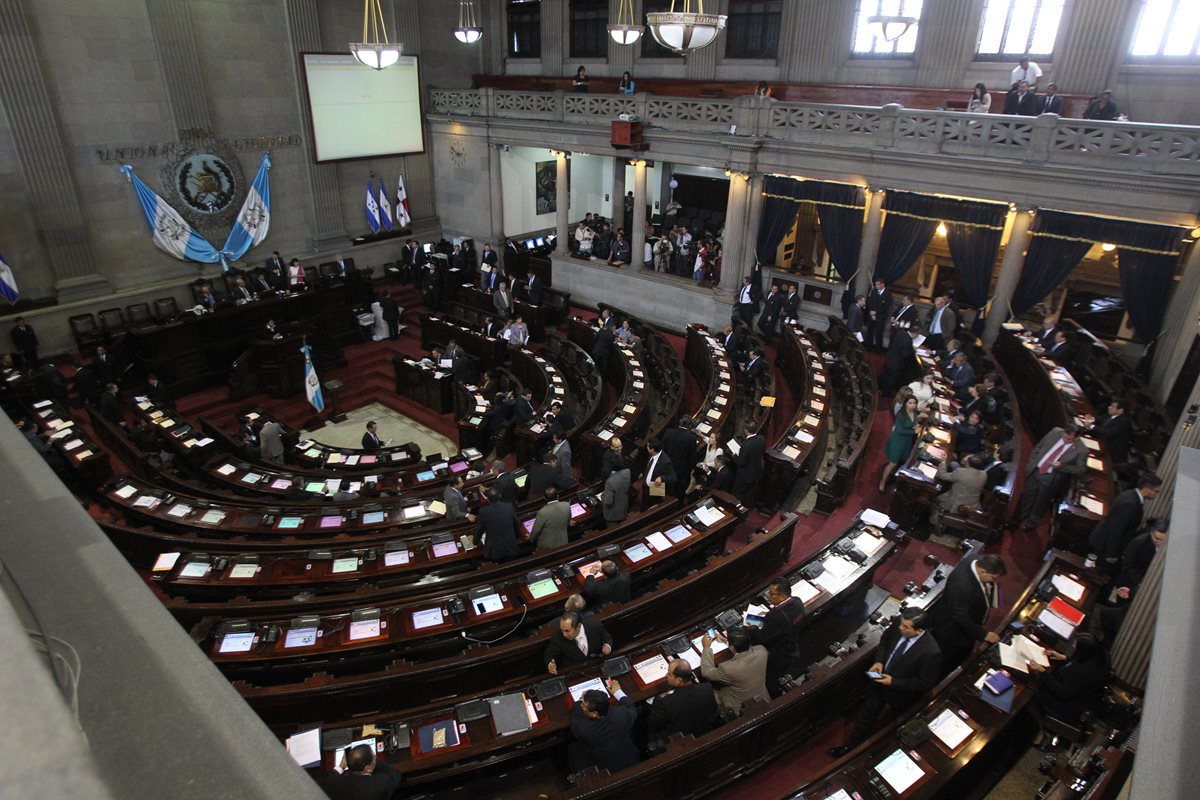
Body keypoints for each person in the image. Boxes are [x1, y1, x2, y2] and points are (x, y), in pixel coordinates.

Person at [828, 608, 943, 757]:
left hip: (901, 694)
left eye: (906, 627)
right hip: (879, 683)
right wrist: (879, 661)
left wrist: (893, 682)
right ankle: (850, 749)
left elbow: (924, 684)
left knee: (890, 726)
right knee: (866, 716)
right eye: (901, 624)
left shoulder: (931, 652)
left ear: (919, 631)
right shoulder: (898, 623)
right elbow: (885, 640)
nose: (900, 627)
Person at [930, 553, 1007, 672]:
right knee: (948, 663)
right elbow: (959, 615)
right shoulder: (961, 585)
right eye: (993, 578)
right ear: (982, 571)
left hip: (967, 620)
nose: (994, 582)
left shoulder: (975, 559)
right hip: (951, 633)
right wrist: (983, 634)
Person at [1007, 424, 1087, 530]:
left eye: (1069, 439)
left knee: (1041, 503)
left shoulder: (1081, 450)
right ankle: (1015, 521)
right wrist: (1031, 463)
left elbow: (1080, 469)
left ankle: (1031, 524)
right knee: (1026, 497)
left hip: (1051, 478)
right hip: (1036, 471)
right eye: (1064, 436)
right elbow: (1038, 447)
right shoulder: (1055, 432)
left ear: (1076, 438)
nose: (1065, 439)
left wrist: (1062, 466)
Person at [1027, 634, 1108, 729]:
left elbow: (1062, 693)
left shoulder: (1084, 672)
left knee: (1030, 694)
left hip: (1061, 709)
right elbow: (1077, 663)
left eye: (1075, 645)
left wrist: (1043, 671)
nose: (1073, 645)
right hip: (1067, 700)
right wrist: (1064, 658)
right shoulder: (1093, 659)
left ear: (1082, 651)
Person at [1087, 474, 1162, 571]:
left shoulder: (1131, 495)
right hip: (1105, 546)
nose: (1157, 494)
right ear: (1147, 489)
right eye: (1156, 491)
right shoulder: (1130, 503)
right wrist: (1111, 553)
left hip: (1106, 543)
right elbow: (1116, 529)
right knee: (1097, 573)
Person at [748, 579, 805, 698]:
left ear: (783, 596)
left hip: (779, 654)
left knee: (771, 680)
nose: (768, 596)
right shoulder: (798, 602)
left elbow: (762, 638)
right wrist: (769, 615)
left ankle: (776, 699)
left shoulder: (777, 618)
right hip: (792, 644)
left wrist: (751, 627)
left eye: (771, 593)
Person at [568, 679, 639, 774]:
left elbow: (576, 716)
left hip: (605, 768)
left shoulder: (583, 729)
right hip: (629, 757)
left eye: (583, 705)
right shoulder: (622, 714)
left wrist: (580, 699)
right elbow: (631, 707)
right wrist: (618, 692)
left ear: (594, 713)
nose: (581, 705)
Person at [700, 626, 769, 719]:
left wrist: (706, 647)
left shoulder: (728, 668)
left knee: (705, 691)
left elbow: (706, 672)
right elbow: (746, 647)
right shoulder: (761, 650)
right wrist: (726, 641)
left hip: (740, 706)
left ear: (732, 648)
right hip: (762, 696)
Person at [646, 660, 718, 746]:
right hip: (704, 732)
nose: (666, 676)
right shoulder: (707, 688)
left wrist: (657, 700)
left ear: (678, 680)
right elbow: (713, 711)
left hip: (679, 742)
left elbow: (655, 723)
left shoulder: (665, 702)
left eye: (669, 674)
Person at [320, 742, 403, 800]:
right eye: (374, 757)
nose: (376, 757)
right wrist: (374, 763)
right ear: (367, 768)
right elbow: (395, 774)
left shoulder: (332, 783)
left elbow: (331, 778)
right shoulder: (380, 784)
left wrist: (341, 766)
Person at [544, 611, 612, 674]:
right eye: (562, 631)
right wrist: (550, 664)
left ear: (578, 626)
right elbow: (549, 654)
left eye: (567, 631)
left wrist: (607, 645)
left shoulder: (594, 625)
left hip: (599, 666)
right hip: (575, 672)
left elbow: (606, 637)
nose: (564, 635)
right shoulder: (557, 637)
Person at [880, 395, 923, 492]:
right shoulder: (901, 414)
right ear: (905, 404)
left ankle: (892, 477)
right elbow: (898, 430)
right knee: (892, 463)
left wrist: (916, 426)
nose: (912, 405)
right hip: (898, 441)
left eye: (914, 403)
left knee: (901, 461)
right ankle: (882, 482)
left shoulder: (915, 412)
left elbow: (914, 423)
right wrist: (914, 432)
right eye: (910, 403)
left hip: (907, 441)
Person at [933, 454, 987, 526]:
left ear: (967, 463)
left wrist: (943, 462)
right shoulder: (984, 475)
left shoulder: (960, 472)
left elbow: (942, 476)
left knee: (933, 499)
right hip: (973, 506)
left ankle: (936, 524)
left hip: (956, 505)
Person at [473, 486, 520, 562]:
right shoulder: (509, 506)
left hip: (494, 551)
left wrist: (475, 541)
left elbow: (479, 530)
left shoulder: (483, 511)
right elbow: (516, 523)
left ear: (488, 500)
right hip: (511, 546)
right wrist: (517, 536)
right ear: (500, 496)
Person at [662, 416, 698, 498]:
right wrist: (692, 469)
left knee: (664, 488)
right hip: (682, 470)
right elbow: (692, 457)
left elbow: (663, 449)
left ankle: (660, 504)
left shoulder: (669, 431)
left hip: (667, 465)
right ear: (689, 425)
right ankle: (678, 506)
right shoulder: (691, 438)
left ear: (680, 421)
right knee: (678, 491)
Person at [1087, 399, 1133, 463]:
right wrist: (1092, 418)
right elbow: (1101, 418)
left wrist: (1091, 426)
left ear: (1120, 410)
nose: (1109, 407)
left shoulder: (1123, 422)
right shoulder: (1112, 414)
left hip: (1110, 451)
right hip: (1103, 441)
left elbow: (1107, 433)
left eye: (1112, 407)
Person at [732, 422, 766, 506]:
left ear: (746, 430)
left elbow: (741, 462)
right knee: (749, 494)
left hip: (745, 476)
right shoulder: (761, 438)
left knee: (738, 494)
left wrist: (735, 456)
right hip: (756, 473)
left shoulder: (746, 445)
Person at [879, 326, 920, 396]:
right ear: (915, 334)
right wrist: (913, 350)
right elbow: (905, 354)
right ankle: (885, 393)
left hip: (890, 357)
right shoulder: (908, 340)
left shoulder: (901, 332)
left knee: (886, 374)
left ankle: (880, 387)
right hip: (897, 363)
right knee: (891, 378)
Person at [641, 438, 676, 512]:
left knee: (651, 511)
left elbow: (673, 478)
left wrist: (661, 478)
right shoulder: (651, 455)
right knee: (643, 508)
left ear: (652, 449)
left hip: (656, 489)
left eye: (647, 446)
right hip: (646, 488)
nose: (646, 448)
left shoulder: (665, 461)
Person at [602, 454, 631, 526]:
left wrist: (603, 495)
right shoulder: (627, 472)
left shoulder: (610, 482)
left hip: (612, 515)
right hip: (623, 509)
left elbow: (608, 502)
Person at [865, 279, 893, 351]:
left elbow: (886, 307)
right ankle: (868, 346)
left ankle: (878, 349)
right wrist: (871, 310)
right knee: (869, 331)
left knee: (878, 333)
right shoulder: (874, 291)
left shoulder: (888, 294)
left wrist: (876, 312)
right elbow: (870, 301)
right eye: (875, 284)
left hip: (881, 316)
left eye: (877, 284)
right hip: (871, 314)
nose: (876, 286)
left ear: (882, 285)